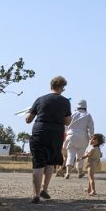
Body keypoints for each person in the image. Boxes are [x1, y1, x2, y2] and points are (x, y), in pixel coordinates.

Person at [25, 75, 72, 204]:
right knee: (51, 161)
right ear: (62, 87)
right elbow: (67, 122)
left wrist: (27, 113)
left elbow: (28, 119)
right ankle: (44, 189)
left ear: (51, 86)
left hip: (40, 132)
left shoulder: (40, 99)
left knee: (38, 162)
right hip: (56, 134)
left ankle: (35, 194)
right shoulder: (65, 101)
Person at [64, 100, 95, 179]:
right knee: (80, 156)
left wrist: (67, 133)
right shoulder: (88, 115)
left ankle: (67, 173)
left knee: (70, 155)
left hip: (71, 136)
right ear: (85, 106)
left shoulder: (72, 114)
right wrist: (92, 137)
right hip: (83, 137)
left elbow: (66, 125)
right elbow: (91, 127)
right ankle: (80, 172)